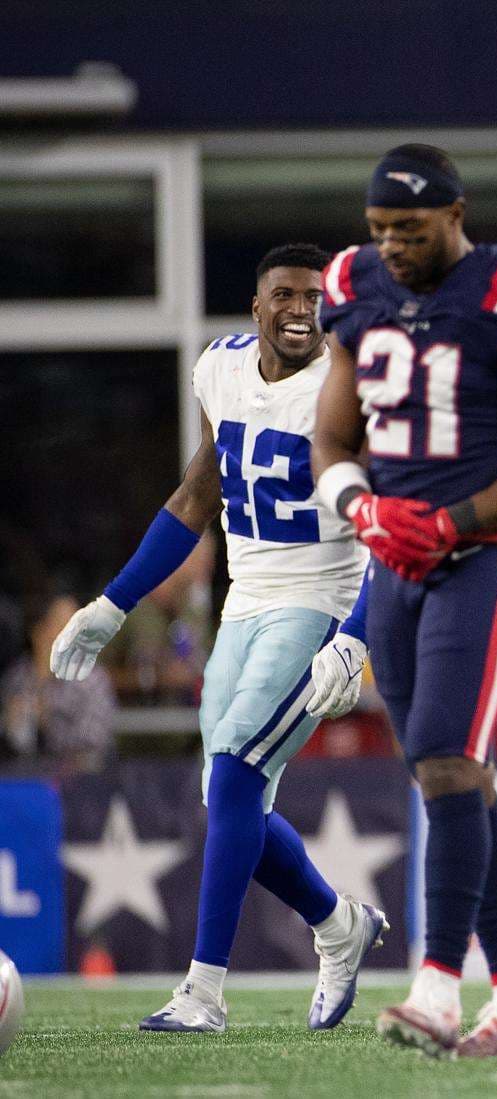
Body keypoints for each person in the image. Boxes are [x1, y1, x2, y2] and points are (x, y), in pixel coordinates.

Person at [48, 244, 386, 1034]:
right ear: (257, 304)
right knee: (227, 798)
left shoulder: (353, 387)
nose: (301, 309)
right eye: (285, 295)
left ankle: (203, 990)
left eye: (314, 297)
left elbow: (390, 522)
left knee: (233, 772)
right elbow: (200, 493)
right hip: (244, 607)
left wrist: (357, 635)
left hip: (317, 604)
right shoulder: (222, 369)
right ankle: (339, 924)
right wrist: (114, 602)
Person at [312, 145, 497, 1057]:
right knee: (453, 774)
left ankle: (437, 987)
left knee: (441, 754)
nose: (394, 246)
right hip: (394, 555)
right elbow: (332, 435)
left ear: (456, 214)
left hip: (486, 553)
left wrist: (455, 520)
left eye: (413, 229)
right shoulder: (355, 287)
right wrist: (361, 505)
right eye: (382, 230)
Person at [5, 594, 115, 773]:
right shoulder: (18, 677)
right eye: (63, 625)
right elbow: (14, 744)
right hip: (26, 779)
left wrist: (47, 723)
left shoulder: (93, 679)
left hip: (82, 781)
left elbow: (93, 742)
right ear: (40, 630)